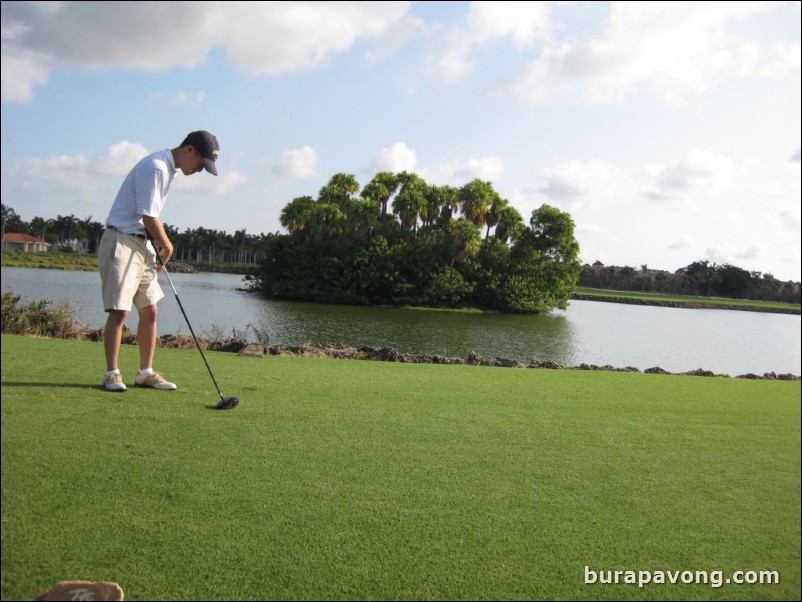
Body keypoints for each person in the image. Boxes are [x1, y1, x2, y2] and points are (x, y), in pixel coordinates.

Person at [98, 130, 220, 392]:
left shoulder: (168, 169)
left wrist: (158, 243)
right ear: (190, 150)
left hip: (141, 244)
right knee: (120, 311)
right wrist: (167, 244)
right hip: (121, 241)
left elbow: (151, 216)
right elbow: (148, 216)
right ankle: (112, 374)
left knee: (150, 310)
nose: (200, 170)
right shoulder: (155, 167)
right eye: (201, 163)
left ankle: (145, 373)